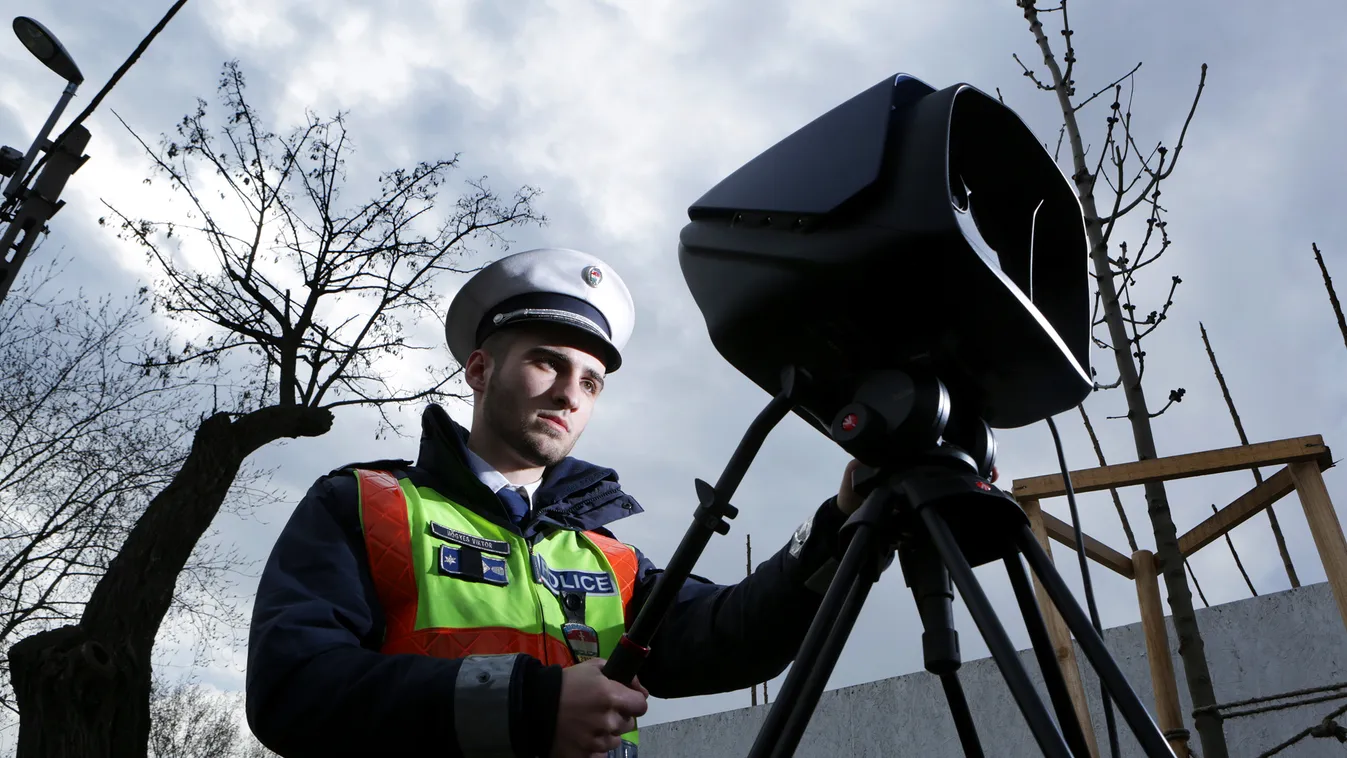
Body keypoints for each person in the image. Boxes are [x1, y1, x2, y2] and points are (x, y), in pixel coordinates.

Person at [245, 247, 865, 758]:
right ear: (480, 371)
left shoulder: (610, 557)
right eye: (548, 362)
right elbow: (293, 688)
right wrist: (529, 705)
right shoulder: (364, 503)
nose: (571, 395)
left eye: (591, 382)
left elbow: (730, 637)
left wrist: (838, 525)